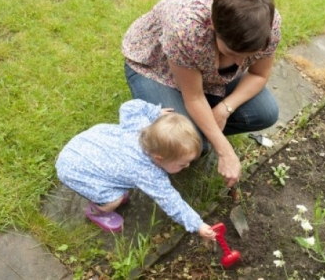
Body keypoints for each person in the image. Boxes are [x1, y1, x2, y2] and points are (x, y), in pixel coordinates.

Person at [122, 0, 281, 189]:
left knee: (265, 112)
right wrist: (224, 150)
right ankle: (185, 135)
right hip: (157, 69)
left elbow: (259, 74)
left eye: (249, 56)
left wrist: (225, 109)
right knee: (187, 143)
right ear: (213, 26)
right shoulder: (185, 28)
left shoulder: (267, 24)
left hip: (208, 76)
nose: (241, 64)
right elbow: (194, 97)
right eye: (232, 53)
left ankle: (200, 132)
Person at [55, 99, 216, 240]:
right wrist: (198, 225)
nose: (187, 166)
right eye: (182, 164)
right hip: (74, 170)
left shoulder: (142, 127)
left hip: (84, 145)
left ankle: (108, 188)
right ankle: (98, 211)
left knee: (115, 182)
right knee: (113, 200)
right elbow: (171, 202)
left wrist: (155, 112)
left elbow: (129, 107)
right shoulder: (147, 173)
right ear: (159, 158)